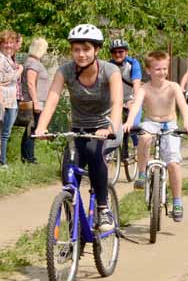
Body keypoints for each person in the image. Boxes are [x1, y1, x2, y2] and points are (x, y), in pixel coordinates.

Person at [35, 24, 123, 232]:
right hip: (79, 130)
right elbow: (53, 98)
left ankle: (103, 208)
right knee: (68, 175)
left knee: (94, 152)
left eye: (86, 49)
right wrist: (41, 127)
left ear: (97, 50)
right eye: (76, 50)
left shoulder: (110, 71)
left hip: (106, 128)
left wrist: (111, 127)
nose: (81, 54)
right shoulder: (65, 71)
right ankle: (74, 228)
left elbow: (117, 102)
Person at [123, 50, 188, 222]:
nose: (161, 72)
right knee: (144, 138)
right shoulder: (144, 88)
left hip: (169, 124)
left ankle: (177, 201)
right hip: (150, 122)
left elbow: (183, 106)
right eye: (157, 69)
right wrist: (129, 122)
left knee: (173, 163)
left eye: (164, 69)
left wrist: (187, 123)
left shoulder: (173, 86)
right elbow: (136, 106)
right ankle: (141, 174)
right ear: (148, 70)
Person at [0, 30, 22, 167]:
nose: (9, 45)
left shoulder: (8, 58)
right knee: (1, 133)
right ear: (0, 44)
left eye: (11, 42)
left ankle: (2, 160)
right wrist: (0, 103)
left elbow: (8, 80)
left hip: (11, 100)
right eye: (5, 43)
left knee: (6, 133)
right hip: (3, 101)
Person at [20, 37, 49, 164]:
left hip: (37, 101)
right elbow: (31, 84)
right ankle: (29, 158)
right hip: (33, 102)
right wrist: (36, 101)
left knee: (31, 129)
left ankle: (28, 157)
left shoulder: (32, 62)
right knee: (32, 129)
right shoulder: (33, 63)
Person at [109, 38, 143, 144]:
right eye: (114, 52)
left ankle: (137, 147)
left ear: (126, 52)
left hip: (130, 98)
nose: (117, 54)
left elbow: (136, 84)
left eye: (121, 51)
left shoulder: (133, 64)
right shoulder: (108, 66)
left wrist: (135, 101)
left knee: (133, 125)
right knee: (110, 124)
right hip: (115, 100)